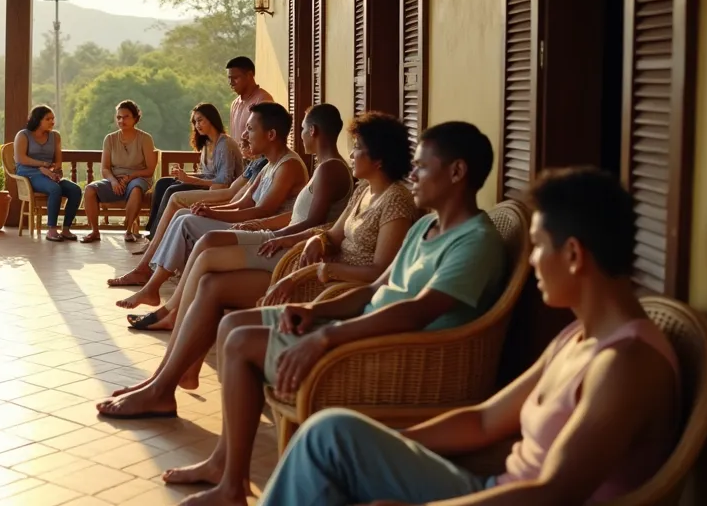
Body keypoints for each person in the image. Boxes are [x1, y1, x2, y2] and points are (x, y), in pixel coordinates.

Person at [258, 167, 680, 506]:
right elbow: (484, 421)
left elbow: (552, 493)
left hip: (502, 496)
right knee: (333, 436)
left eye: (536, 247)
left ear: (572, 255)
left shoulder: (627, 364)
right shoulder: (578, 337)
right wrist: (388, 448)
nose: (531, 262)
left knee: (327, 443)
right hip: (491, 484)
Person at [167, 121, 506, 505]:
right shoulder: (426, 226)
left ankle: (231, 484)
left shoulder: (475, 243)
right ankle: (226, 468)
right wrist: (313, 310)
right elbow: (377, 290)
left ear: (457, 172)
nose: (412, 174)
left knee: (242, 342)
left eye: (423, 167)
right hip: (365, 332)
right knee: (232, 323)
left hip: (400, 353)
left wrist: (326, 335)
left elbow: (415, 313)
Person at [96, 111, 418, 419]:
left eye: (358, 148)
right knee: (209, 283)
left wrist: (324, 267)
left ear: (378, 158)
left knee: (210, 260)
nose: (352, 153)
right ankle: (161, 383)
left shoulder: (396, 201)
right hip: (312, 268)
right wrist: (316, 241)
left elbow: (380, 273)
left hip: (329, 286)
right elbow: (330, 232)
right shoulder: (364, 190)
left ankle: (162, 381)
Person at [107, 103, 307, 308]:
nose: (245, 135)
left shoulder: (288, 166)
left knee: (185, 222)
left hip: (261, 232)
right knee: (183, 214)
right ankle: (153, 284)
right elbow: (240, 203)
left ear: (271, 134)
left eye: (251, 129)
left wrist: (213, 213)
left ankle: (152, 288)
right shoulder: (269, 164)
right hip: (249, 223)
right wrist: (210, 212)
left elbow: (260, 211)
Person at [134, 134, 270, 258]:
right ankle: (154, 249)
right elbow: (233, 192)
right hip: (223, 194)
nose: (244, 135)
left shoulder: (231, 147)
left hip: (223, 196)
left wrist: (213, 209)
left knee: (176, 198)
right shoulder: (255, 163)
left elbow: (231, 190)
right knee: (165, 186)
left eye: (250, 129)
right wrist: (190, 179)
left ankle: (153, 254)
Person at [143, 103, 243, 237]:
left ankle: (157, 237)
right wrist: (183, 176)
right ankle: (152, 231)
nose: (197, 125)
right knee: (162, 183)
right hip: (208, 185)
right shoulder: (207, 143)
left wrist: (189, 179)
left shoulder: (225, 144)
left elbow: (224, 180)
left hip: (220, 190)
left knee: (172, 190)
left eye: (200, 120)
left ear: (211, 119)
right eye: (195, 122)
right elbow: (206, 174)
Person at [81, 100, 157, 243]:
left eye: (126, 117)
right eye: (119, 117)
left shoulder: (145, 138)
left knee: (135, 189)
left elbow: (150, 170)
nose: (122, 120)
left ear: (135, 118)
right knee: (90, 189)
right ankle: (94, 231)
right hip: (115, 179)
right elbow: (105, 168)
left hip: (138, 177)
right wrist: (114, 181)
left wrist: (131, 177)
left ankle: (128, 230)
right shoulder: (110, 139)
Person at [13, 105, 82, 242]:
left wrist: (55, 172)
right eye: (48, 119)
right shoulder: (23, 135)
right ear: (38, 120)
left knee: (75, 190)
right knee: (54, 189)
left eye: (53, 119)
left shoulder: (55, 136)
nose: (52, 122)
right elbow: (21, 159)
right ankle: (51, 230)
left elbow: (58, 161)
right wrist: (42, 166)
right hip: (29, 173)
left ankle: (66, 229)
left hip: (48, 174)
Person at [225, 56, 274, 148]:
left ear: (250, 75)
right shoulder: (235, 104)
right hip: (238, 160)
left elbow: (267, 139)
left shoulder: (263, 100)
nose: (231, 82)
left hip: (257, 161)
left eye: (235, 78)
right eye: (229, 78)